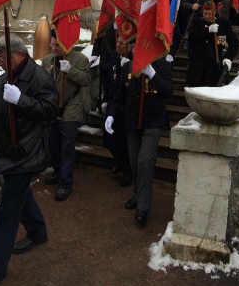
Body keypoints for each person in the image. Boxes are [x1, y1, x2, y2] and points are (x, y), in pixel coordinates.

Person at [0, 36, 58, 286]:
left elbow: (51, 111)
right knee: (18, 193)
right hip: (7, 149)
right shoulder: (1, 81)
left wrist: (22, 100)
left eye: (3, 58)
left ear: (19, 55)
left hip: (26, 152)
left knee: (8, 207)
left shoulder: (40, 78)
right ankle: (37, 231)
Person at [105, 46, 173, 225]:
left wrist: (152, 75)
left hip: (153, 121)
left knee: (145, 160)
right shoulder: (128, 67)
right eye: (135, 48)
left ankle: (143, 207)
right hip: (132, 121)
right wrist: (111, 114)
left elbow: (169, 91)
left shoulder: (162, 65)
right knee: (135, 162)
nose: (136, 52)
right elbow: (119, 95)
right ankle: (138, 193)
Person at [41, 29, 90, 201]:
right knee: (53, 145)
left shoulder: (80, 59)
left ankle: (65, 184)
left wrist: (71, 71)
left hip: (71, 109)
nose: (54, 48)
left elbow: (85, 80)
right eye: (52, 44)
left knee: (67, 149)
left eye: (57, 45)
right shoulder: (47, 60)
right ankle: (57, 171)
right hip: (53, 110)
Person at [102, 36, 133, 187]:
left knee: (123, 142)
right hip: (113, 104)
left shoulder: (133, 60)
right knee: (109, 139)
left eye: (123, 42)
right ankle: (119, 161)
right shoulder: (114, 57)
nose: (119, 45)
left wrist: (127, 67)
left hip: (127, 107)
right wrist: (105, 100)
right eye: (118, 41)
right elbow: (108, 81)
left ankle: (128, 172)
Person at [186, 0, 239, 87]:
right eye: (205, 13)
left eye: (210, 14)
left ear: (215, 12)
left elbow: (234, 42)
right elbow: (192, 37)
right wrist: (208, 30)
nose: (207, 16)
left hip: (213, 66)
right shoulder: (197, 22)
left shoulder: (224, 24)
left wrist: (228, 58)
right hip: (197, 67)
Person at [90, 25, 116, 104]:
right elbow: (98, 41)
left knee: (116, 88)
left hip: (118, 63)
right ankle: (106, 105)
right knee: (106, 87)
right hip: (105, 64)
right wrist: (95, 54)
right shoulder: (105, 24)